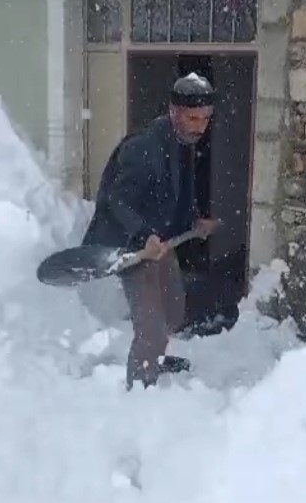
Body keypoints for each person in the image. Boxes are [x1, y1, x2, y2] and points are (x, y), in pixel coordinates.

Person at [81, 72, 220, 389]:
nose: (200, 126)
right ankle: (142, 385)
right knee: (152, 326)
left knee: (173, 310)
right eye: (193, 117)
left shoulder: (182, 141)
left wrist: (194, 221)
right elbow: (116, 200)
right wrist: (144, 235)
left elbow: (176, 191)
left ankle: (155, 357)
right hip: (132, 246)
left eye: (206, 119)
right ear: (174, 112)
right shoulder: (144, 146)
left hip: (160, 241)